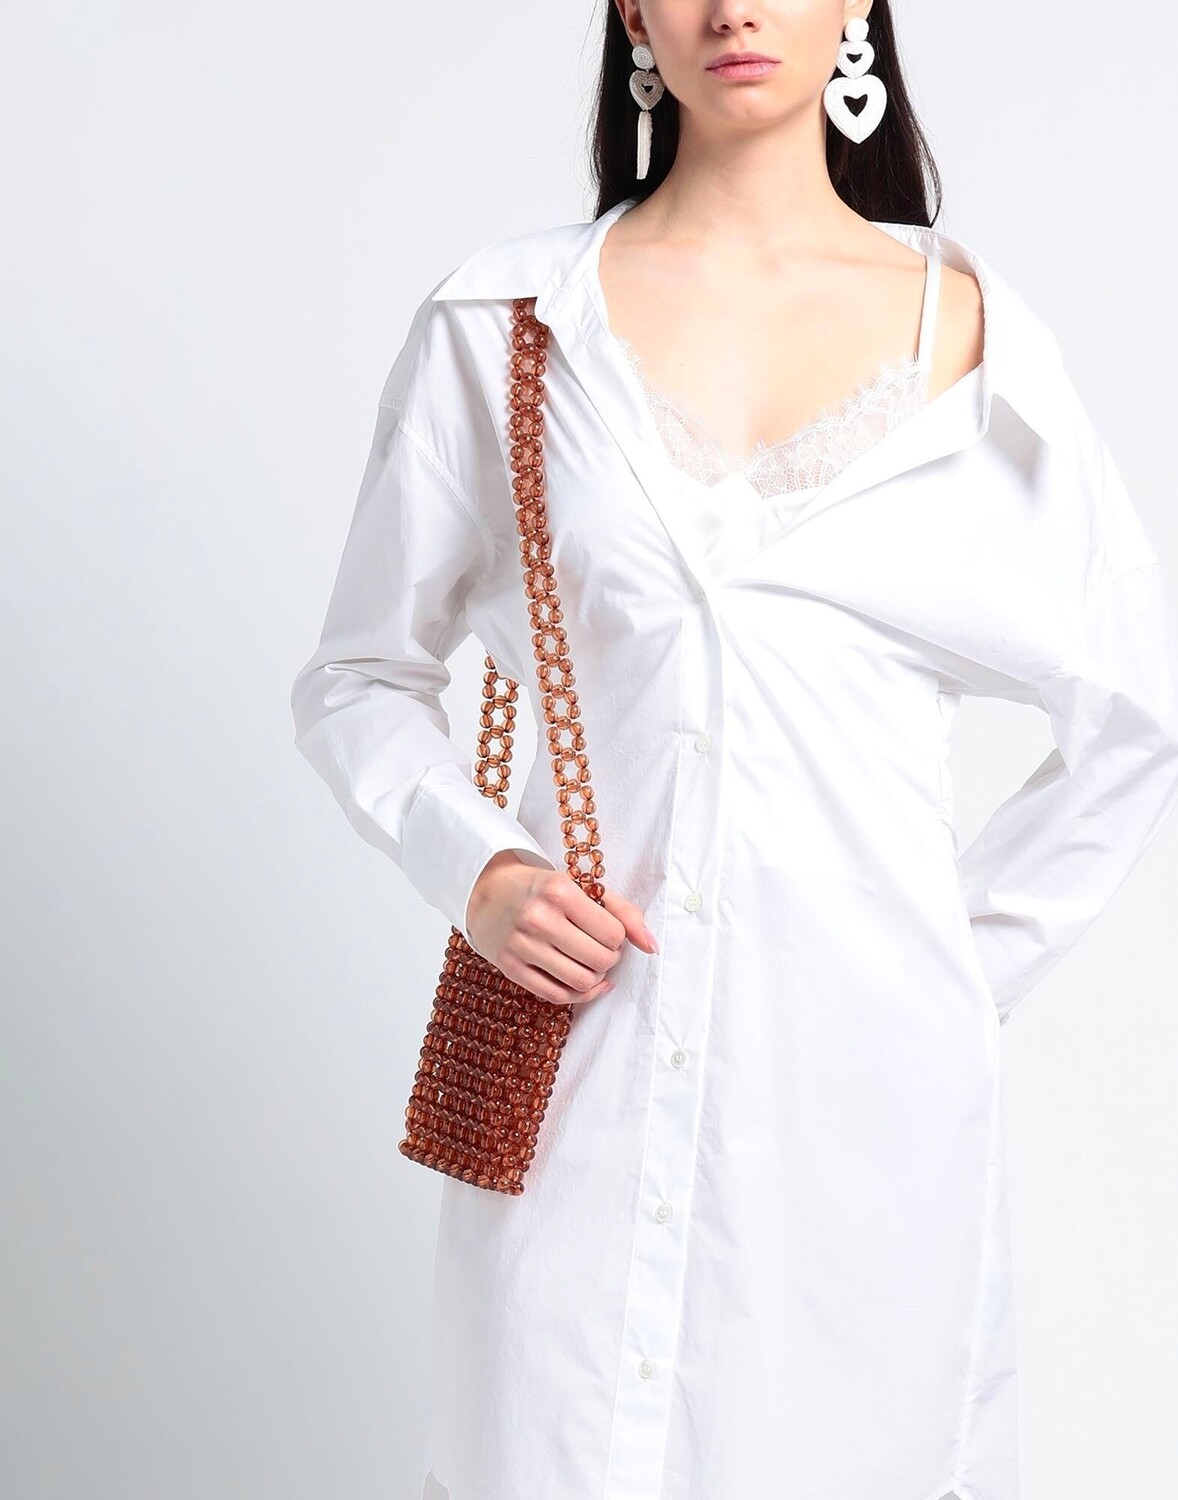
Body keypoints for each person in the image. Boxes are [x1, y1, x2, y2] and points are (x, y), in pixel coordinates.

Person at [289, 4, 1178, 1497]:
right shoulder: (506, 324)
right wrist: (480, 868)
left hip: (868, 1118)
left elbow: (1129, 719)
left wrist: (943, 972)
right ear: (634, 11)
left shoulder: (976, 341)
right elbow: (358, 675)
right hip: (583, 1068)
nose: (735, 9)